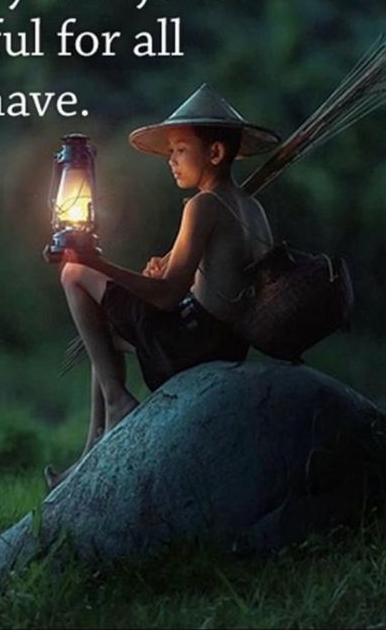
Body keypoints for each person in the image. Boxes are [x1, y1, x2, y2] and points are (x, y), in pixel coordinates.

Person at [44, 84, 280, 490]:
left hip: (194, 343)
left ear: (216, 153)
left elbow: (170, 294)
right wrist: (159, 269)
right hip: (225, 341)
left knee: (72, 274)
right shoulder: (250, 207)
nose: (171, 161)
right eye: (170, 152)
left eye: (180, 150)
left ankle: (119, 403)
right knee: (104, 338)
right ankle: (90, 454)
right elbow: (209, 279)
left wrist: (95, 262)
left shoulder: (202, 206)